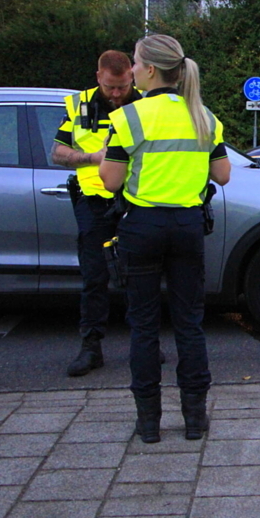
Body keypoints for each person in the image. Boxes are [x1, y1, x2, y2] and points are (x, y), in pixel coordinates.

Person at [99, 34, 230, 444]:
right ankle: (194, 419)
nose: (132, 70)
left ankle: (150, 423)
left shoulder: (129, 118)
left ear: (151, 70)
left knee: (143, 326)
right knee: (189, 322)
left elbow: (110, 179)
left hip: (142, 226)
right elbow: (223, 174)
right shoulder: (203, 115)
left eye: (136, 63)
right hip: (188, 225)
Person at [53, 50, 142, 377]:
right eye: (110, 88)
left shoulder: (145, 104)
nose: (117, 94)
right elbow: (57, 152)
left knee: (139, 273)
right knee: (94, 276)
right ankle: (91, 347)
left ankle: (145, 344)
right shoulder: (79, 105)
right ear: (98, 78)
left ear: (132, 76)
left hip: (134, 198)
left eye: (122, 87)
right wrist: (94, 156)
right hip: (93, 200)